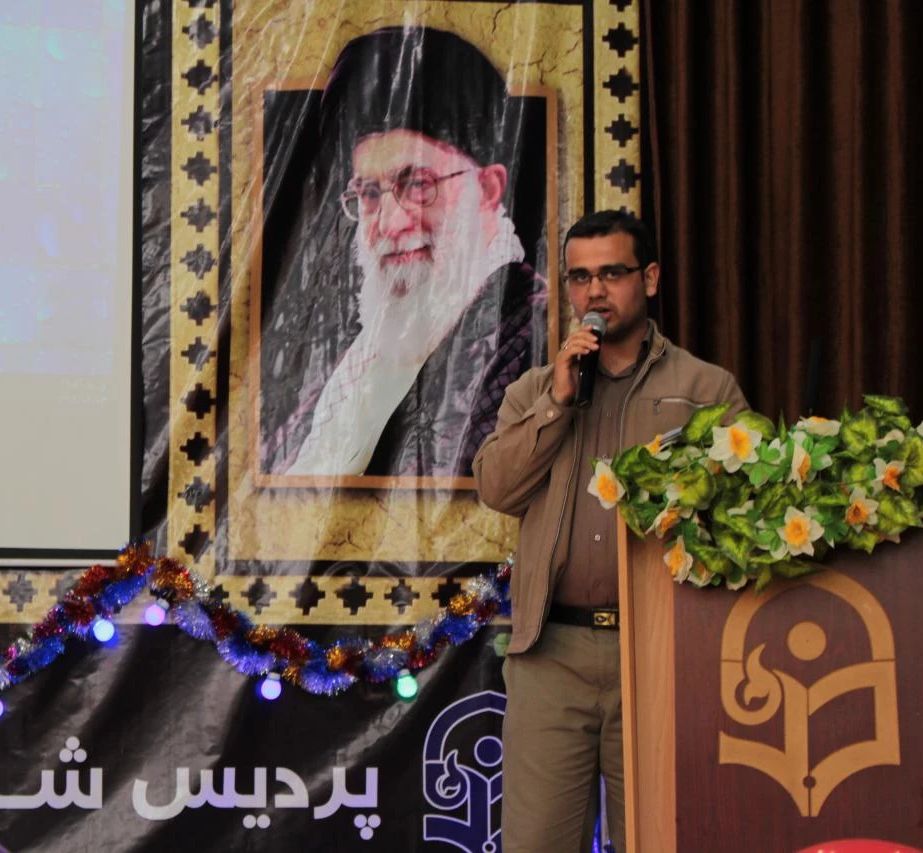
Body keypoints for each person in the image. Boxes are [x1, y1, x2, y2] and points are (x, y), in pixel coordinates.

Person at [472, 210, 748, 852]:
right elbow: (497, 489)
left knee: (661, 840)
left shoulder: (704, 388)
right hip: (552, 653)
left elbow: (742, 518)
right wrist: (558, 402)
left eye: (612, 274)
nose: (594, 291)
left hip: (662, 654)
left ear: (648, 279)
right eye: (579, 278)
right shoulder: (535, 390)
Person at [266, 25, 546, 480]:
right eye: (369, 193)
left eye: (417, 184)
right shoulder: (363, 353)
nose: (390, 223)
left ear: (488, 189)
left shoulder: (532, 329)